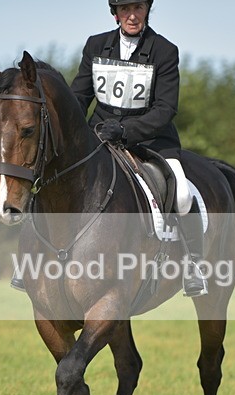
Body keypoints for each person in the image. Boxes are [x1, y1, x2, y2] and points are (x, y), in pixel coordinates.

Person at [69, 0, 207, 297]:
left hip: (151, 140)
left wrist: (128, 130)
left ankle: (194, 265)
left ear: (147, 10)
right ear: (115, 13)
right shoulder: (95, 45)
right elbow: (78, 97)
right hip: (101, 137)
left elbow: (166, 108)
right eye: (125, 9)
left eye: (139, 8)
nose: (132, 16)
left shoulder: (164, 50)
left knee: (182, 194)